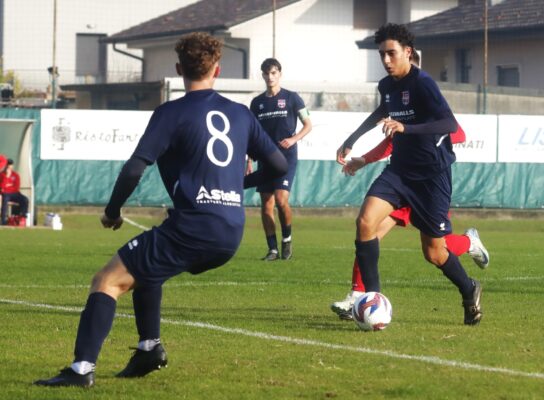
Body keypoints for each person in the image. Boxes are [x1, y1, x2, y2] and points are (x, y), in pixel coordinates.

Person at [35, 32, 287, 388]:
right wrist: (235, 187)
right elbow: (278, 166)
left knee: (106, 281)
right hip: (231, 230)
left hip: (194, 227)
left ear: (178, 68)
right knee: (149, 269)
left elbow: (135, 168)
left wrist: (112, 210)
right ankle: (148, 349)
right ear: (217, 69)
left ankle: (80, 370)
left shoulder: (172, 112)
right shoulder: (241, 114)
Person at [336, 23, 483, 325]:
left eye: (391, 53)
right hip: (399, 172)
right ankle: (372, 298)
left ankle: (469, 289)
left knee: (434, 253)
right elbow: (381, 112)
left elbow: (448, 124)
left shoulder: (423, 84)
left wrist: (408, 128)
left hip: (431, 178)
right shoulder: (387, 86)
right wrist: (352, 139)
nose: (386, 60)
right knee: (365, 222)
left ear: (407, 52)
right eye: (382, 55)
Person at [330, 125, 489, 319]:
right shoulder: (400, 106)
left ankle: (468, 242)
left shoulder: (430, 104)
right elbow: (391, 142)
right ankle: (359, 295)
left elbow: (458, 134)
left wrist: (424, 137)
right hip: (401, 182)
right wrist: (364, 158)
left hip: (429, 185)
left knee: (435, 251)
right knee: (369, 230)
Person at [248, 58, 312, 261]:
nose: (270, 77)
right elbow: (251, 134)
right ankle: (272, 250)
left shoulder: (292, 98)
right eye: (266, 73)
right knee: (266, 204)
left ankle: (287, 240)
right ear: (263, 75)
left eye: (273, 73)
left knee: (281, 199)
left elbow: (308, 124)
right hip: (265, 158)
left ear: (280, 74)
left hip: (286, 158)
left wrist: (293, 139)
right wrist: (248, 158)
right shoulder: (257, 103)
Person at [0, 158, 29, 225]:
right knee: (5, 199)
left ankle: (22, 217)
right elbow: (1, 187)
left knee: (24, 199)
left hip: (15, 193)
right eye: (7, 165)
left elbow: (16, 187)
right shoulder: (2, 175)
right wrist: (7, 177)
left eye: (10, 165)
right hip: (5, 194)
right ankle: (3, 220)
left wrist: (7, 186)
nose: (9, 167)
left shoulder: (16, 175)